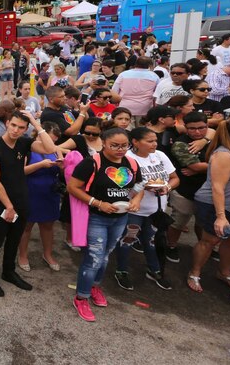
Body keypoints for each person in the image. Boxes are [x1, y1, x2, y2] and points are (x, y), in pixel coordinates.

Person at [67, 128, 144, 322]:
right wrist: (98, 203)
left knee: (106, 256)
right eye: (114, 145)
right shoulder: (91, 163)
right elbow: (73, 187)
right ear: (103, 143)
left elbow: (138, 187)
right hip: (96, 218)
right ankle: (81, 296)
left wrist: (136, 201)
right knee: (93, 258)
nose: (120, 150)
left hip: (121, 217)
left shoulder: (132, 163)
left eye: (124, 146)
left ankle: (94, 287)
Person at [0, 110, 56, 296]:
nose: (16, 130)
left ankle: (8, 271)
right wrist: (8, 206)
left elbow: (50, 149)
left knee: (15, 238)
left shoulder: (24, 143)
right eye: (13, 125)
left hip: (22, 198)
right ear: (7, 123)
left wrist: (35, 122)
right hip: (1, 202)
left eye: (21, 127)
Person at [113, 127, 179, 291]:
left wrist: (167, 188)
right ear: (135, 142)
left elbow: (174, 178)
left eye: (155, 140)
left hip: (156, 210)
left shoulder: (160, 156)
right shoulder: (127, 159)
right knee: (127, 241)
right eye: (149, 141)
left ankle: (155, 269)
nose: (154, 144)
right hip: (133, 210)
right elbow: (120, 187)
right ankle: (121, 270)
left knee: (152, 241)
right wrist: (144, 186)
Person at [187, 117, 230, 297]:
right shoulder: (224, 155)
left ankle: (224, 272)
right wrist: (221, 216)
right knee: (210, 240)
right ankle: (195, 272)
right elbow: (217, 187)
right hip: (215, 205)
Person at [165, 112, 210, 263]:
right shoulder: (180, 144)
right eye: (192, 128)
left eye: (201, 128)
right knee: (178, 222)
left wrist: (205, 139)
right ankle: (171, 246)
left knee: (202, 222)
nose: (197, 132)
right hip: (185, 190)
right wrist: (221, 165)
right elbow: (195, 166)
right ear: (186, 128)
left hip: (207, 190)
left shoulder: (209, 138)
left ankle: (204, 246)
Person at [18, 122, 63, 272]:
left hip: (50, 191)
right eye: (48, 139)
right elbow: (21, 171)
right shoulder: (29, 148)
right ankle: (23, 255)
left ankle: (48, 254)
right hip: (31, 190)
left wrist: (63, 166)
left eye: (54, 140)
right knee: (26, 226)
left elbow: (63, 171)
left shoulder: (56, 150)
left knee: (48, 225)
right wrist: (41, 165)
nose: (51, 143)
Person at [112, 56, 159, 121]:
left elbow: (114, 91)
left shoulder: (123, 74)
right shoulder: (154, 76)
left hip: (125, 108)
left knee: (125, 129)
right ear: (149, 65)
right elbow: (157, 94)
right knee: (142, 130)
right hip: (145, 109)